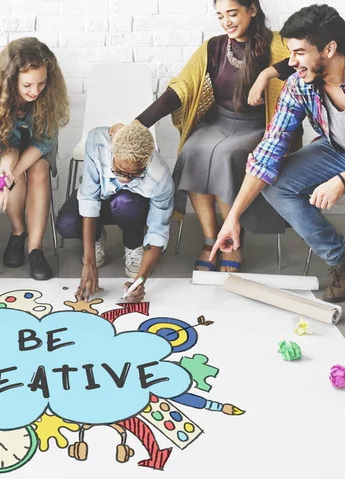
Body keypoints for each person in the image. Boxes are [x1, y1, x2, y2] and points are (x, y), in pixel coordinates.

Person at [112, 0, 300, 273]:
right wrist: (138, 125)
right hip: (219, 122)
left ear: (253, 9)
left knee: (224, 155)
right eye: (221, 16)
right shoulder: (213, 47)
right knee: (193, 150)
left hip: (260, 126)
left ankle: (232, 242)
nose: (227, 22)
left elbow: (301, 60)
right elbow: (180, 90)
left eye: (233, 13)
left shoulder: (279, 43)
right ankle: (210, 239)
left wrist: (267, 74)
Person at [212, 4, 345, 303]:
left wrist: (342, 180)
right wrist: (233, 217)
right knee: (277, 184)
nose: (291, 62)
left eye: (299, 52)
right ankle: (341, 260)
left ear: (329, 48)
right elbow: (270, 148)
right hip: (336, 149)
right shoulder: (300, 86)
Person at [0, 37, 70, 280]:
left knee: (38, 169)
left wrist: (8, 177)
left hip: (37, 143)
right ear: (11, 78)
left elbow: (43, 141)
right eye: (27, 85)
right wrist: (6, 170)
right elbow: (3, 145)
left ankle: (35, 248)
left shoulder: (49, 95)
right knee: (13, 170)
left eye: (42, 83)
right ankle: (18, 232)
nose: (35, 91)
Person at [56, 121, 174, 302]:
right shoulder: (97, 141)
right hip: (101, 200)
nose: (124, 180)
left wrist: (140, 281)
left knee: (124, 201)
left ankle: (134, 243)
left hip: (132, 208)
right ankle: (96, 236)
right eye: (118, 170)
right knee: (67, 224)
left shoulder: (160, 178)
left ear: (146, 161)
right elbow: (89, 198)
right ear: (112, 152)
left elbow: (158, 231)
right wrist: (89, 263)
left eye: (134, 175)